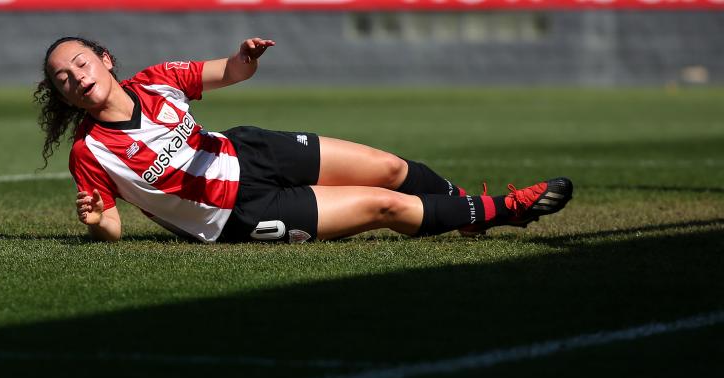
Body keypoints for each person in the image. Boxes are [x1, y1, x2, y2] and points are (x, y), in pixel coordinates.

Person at [35, 36, 573, 244]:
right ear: (65, 95)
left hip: (250, 150)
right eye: (64, 78)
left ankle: (460, 209)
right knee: (385, 205)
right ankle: (502, 210)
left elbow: (230, 72)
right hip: (238, 214)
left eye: (80, 63)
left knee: (388, 168)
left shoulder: (156, 78)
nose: (76, 76)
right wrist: (94, 219)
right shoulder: (91, 152)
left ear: (103, 60)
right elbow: (110, 227)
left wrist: (246, 57)